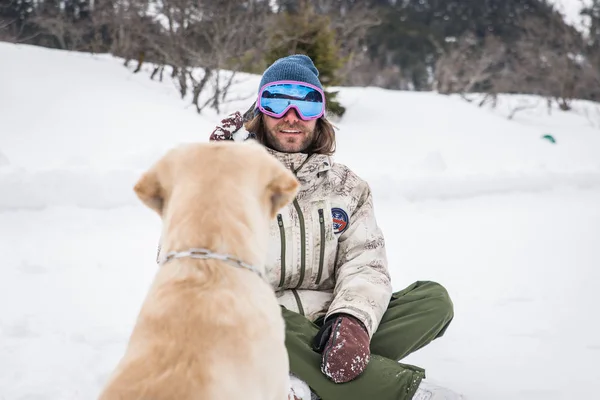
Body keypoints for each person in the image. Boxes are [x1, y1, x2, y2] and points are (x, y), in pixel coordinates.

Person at [206, 54, 459, 400]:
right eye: (277, 101)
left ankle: (302, 380)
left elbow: (366, 263)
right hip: (256, 325)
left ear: (320, 115)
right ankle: (400, 391)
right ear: (260, 111)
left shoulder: (348, 188)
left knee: (433, 300)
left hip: (328, 323)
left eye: (307, 105)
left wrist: (352, 319)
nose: (291, 117)